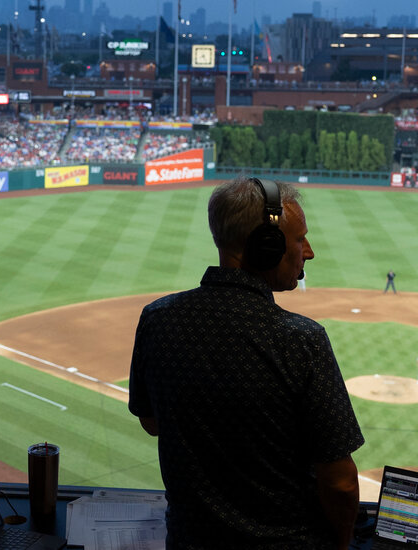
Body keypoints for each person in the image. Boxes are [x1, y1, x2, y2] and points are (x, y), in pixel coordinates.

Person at [128, 176, 364, 549]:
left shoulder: (157, 319)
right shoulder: (302, 341)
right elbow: (340, 482)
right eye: (299, 239)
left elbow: (151, 422)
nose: (309, 252)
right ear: (266, 247)